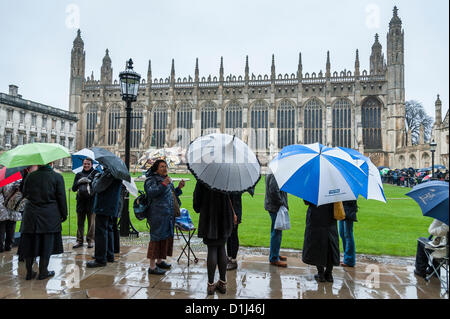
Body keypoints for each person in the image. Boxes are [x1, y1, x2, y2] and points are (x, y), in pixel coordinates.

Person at [21, 162, 67, 280]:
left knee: (30, 244)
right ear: (51, 163)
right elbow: (61, 197)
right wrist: (64, 214)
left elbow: (24, 192)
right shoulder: (57, 177)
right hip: (49, 215)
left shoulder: (30, 176)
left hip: (31, 214)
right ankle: (43, 272)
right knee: (47, 244)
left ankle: (29, 272)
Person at [193, 180, 233, 295]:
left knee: (212, 249)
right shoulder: (226, 176)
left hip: (209, 216)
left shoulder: (203, 178)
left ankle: (211, 285)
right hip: (224, 216)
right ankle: (223, 282)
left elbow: (197, 201)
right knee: (221, 248)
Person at [144, 160, 184, 275]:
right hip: (157, 214)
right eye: (162, 166)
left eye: (165, 166)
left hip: (167, 214)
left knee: (164, 238)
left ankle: (159, 261)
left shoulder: (166, 178)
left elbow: (172, 194)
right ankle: (152, 267)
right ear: (156, 168)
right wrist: (163, 184)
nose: (164, 168)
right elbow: (151, 193)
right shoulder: (151, 180)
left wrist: (179, 188)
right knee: (156, 239)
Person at [86, 168, 123, 268]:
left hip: (104, 206)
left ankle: (100, 259)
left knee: (100, 232)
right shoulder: (116, 172)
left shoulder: (109, 173)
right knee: (108, 229)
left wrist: (95, 178)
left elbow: (97, 187)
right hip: (111, 206)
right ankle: (109, 255)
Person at [302, 200, 340, 283]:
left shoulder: (314, 186)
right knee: (330, 244)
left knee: (317, 244)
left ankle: (321, 274)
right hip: (330, 217)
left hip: (316, 216)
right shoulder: (335, 187)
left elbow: (307, 201)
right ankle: (329, 274)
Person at [264, 172, 289, 267]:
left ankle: (275, 254)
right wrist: (282, 203)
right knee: (277, 232)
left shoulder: (274, 171)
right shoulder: (275, 173)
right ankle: (274, 258)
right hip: (276, 207)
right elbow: (274, 190)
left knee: (276, 231)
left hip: (274, 206)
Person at [71, 158, 96, 249]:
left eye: (88, 164)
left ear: (91, 164)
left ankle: (90, 240)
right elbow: (74, 188)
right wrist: (79, 182)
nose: (86, 165)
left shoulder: (95, 173)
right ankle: (79, 240)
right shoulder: (78, 174)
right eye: (85, 164)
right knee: (80, 223)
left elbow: (97, 188)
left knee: (91, 223)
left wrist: (91, 182)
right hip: (81, 201)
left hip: (91, 201)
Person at [0, 181, 22, 252]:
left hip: (4, 208)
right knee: (10, 230)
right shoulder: (18, 181)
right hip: (11, 208)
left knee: (2, 230)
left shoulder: (3, 181)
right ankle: (7, 247)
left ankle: (2, 248)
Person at [339, 200, 358, 267]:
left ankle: (349, 260)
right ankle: (346, 258)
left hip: (349, 209)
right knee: (342, 233)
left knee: (348, 234)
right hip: (341, 208)